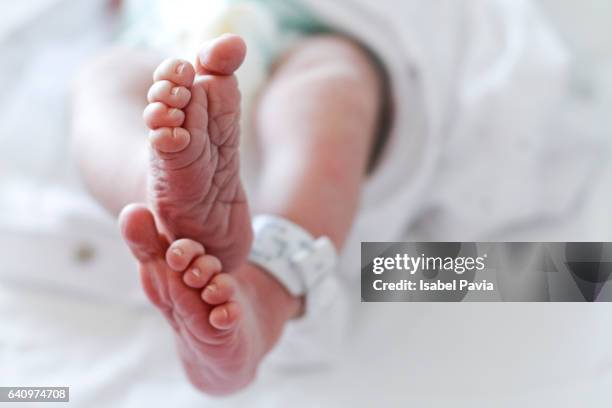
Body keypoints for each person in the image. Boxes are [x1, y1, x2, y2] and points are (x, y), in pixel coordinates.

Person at [71, 0, 598, 396]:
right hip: (174, 57)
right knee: (105, 85)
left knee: (328, 85)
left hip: (319, 29)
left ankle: (264, 283)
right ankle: (164, 190)